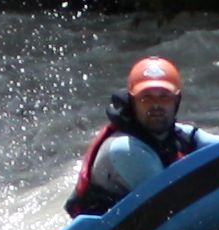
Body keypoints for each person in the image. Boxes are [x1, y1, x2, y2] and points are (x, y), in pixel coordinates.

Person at [68, 55, 201, 214]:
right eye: (146, 98)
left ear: (176, 101)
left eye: (164, 97)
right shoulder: (125, 149)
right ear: (132, 103)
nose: (156, 105)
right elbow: (172, 207)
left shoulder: (178, 134)